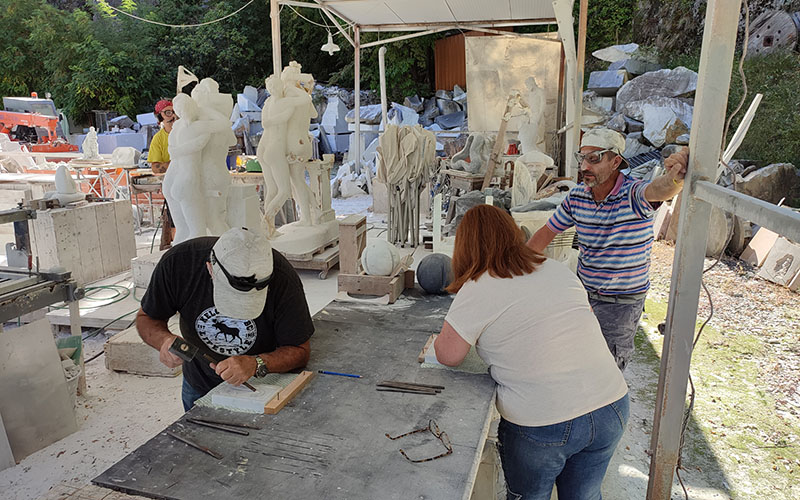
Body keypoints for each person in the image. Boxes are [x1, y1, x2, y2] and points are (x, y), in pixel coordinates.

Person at [435, 204, 629, 499]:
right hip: (610, 402)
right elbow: (584, 316)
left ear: (464, 248)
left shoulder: (477, 287)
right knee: (585, 496)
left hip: (544, 421)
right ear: (514, 234)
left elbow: (448, 355)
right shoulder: (554, 269)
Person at [527, 128, 688, 371]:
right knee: (575, 360)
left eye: (594, 159)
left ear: (615, 162)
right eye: (581, 158)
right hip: (583, 295)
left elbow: (660, 189)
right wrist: (515, 267)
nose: (584, 167)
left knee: (606, 371)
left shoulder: (633, 195)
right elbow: (545, 233)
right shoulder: (577, 198)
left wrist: (676, 178)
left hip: (620, 305)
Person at [136, 227, 314, 411]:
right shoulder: (179, 263)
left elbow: (300, 350)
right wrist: (163, 341)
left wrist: (256, 363)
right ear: (210, 268)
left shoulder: (283, 278)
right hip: (199, 383)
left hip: (263, 386)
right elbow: (146, 318)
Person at [149, 99, 177, 249]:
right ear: (160, 116)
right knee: (175, 218)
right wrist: (175, 164)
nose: (172, 115)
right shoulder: (158, 139)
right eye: (167, 112)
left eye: (173, 111)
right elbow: (155, 167)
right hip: (172, 185)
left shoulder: (184, 132)